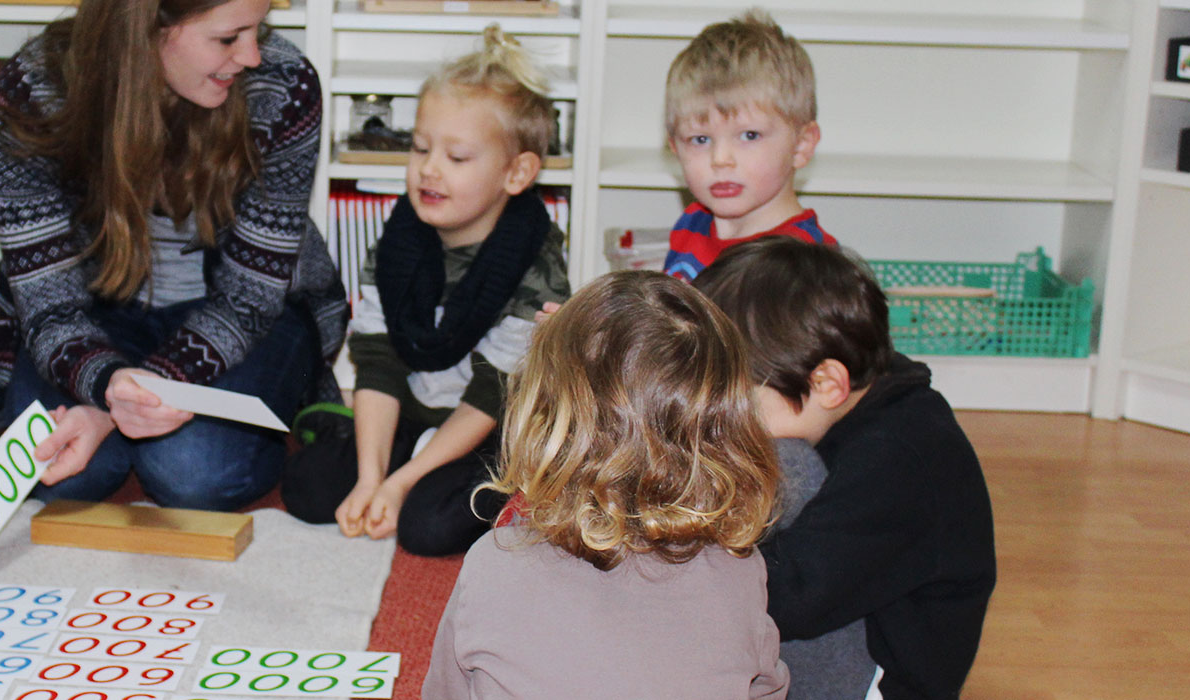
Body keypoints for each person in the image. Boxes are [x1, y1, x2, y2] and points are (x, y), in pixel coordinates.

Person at [0, 0, 347, 511]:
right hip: (93, 310)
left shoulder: (284, 86)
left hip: (249, 318)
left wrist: (113, 407)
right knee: (62, 476)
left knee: (193, 475)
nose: (253, 55)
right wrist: (104, 380)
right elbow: (48, 302)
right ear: (150, 26)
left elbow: (252, 296)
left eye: (258, 29)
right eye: (229, 37)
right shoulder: (26, 97)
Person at [423, 270, 788, 699]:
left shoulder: (494, 563)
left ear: (543, 420)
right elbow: (766, 689)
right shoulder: (739, 568)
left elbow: (444, 693)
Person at [279, 25, 568, 556]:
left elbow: (491, 393)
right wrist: (371, 477)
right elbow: (379, 359)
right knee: (308, 487)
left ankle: (492, 479)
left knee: (428, 528)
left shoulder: (537, 261)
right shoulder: (398, 242)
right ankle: (398, 459)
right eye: (419, 148)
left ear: (517, 172)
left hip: (484, 427)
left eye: (457, 158)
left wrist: (403, 481)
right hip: (413, 413)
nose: (429, 169)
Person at [694, 237, 997, 700]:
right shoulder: (853, 408)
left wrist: (687, 565)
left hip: (885, 680)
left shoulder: (898, 461)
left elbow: (797, 596)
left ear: (827, 384)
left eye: (740, 404)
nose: (727, 422)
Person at [659, 8, 836, 282]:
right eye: (700, 139)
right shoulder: (691, 225)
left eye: (749, 135)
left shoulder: (808, 269)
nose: (720, 159)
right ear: (675, 146)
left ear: (801, 146)